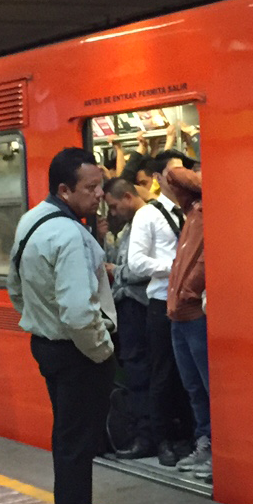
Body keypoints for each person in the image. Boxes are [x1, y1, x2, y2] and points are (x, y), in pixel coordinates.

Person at [8, 148, 127, 504]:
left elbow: (14, 285)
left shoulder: (31, 220)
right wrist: (102, 348)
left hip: (47, 346)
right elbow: (79, 312)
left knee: (68, 441)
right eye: (90, 188)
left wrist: (34, 317)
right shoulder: (71, 237)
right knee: (77, 446)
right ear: (64, 189)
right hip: (78, 353)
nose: (99, 195)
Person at [126, 151, 194, 465]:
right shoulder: (148, 215)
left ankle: (188, 435)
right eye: (173, 173)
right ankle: (162, 438)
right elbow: (135, 262)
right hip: (160, 303)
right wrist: (176, 267)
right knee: (163, 373)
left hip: (190, 304)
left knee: (188, 375)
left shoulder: (193, 211)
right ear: (158, 178)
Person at [162, 164, 211, 480]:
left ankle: (218, 451)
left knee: (208, 387)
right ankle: (205, 443)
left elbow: (175, 173)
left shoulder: (211, 209)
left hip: (194, 314)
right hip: (179, 315)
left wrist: (189, 293)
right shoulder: (192, 213)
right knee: (194, 388)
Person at [103, 176, 155, 459]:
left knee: (139, 371)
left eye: (113, 207)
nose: (113, 213)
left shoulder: (146, 222)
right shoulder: (130, 227)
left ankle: (145, 435)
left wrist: (116, 272)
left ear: (126, 197)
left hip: (139, 306)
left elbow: (143, 268)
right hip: (130, 307)